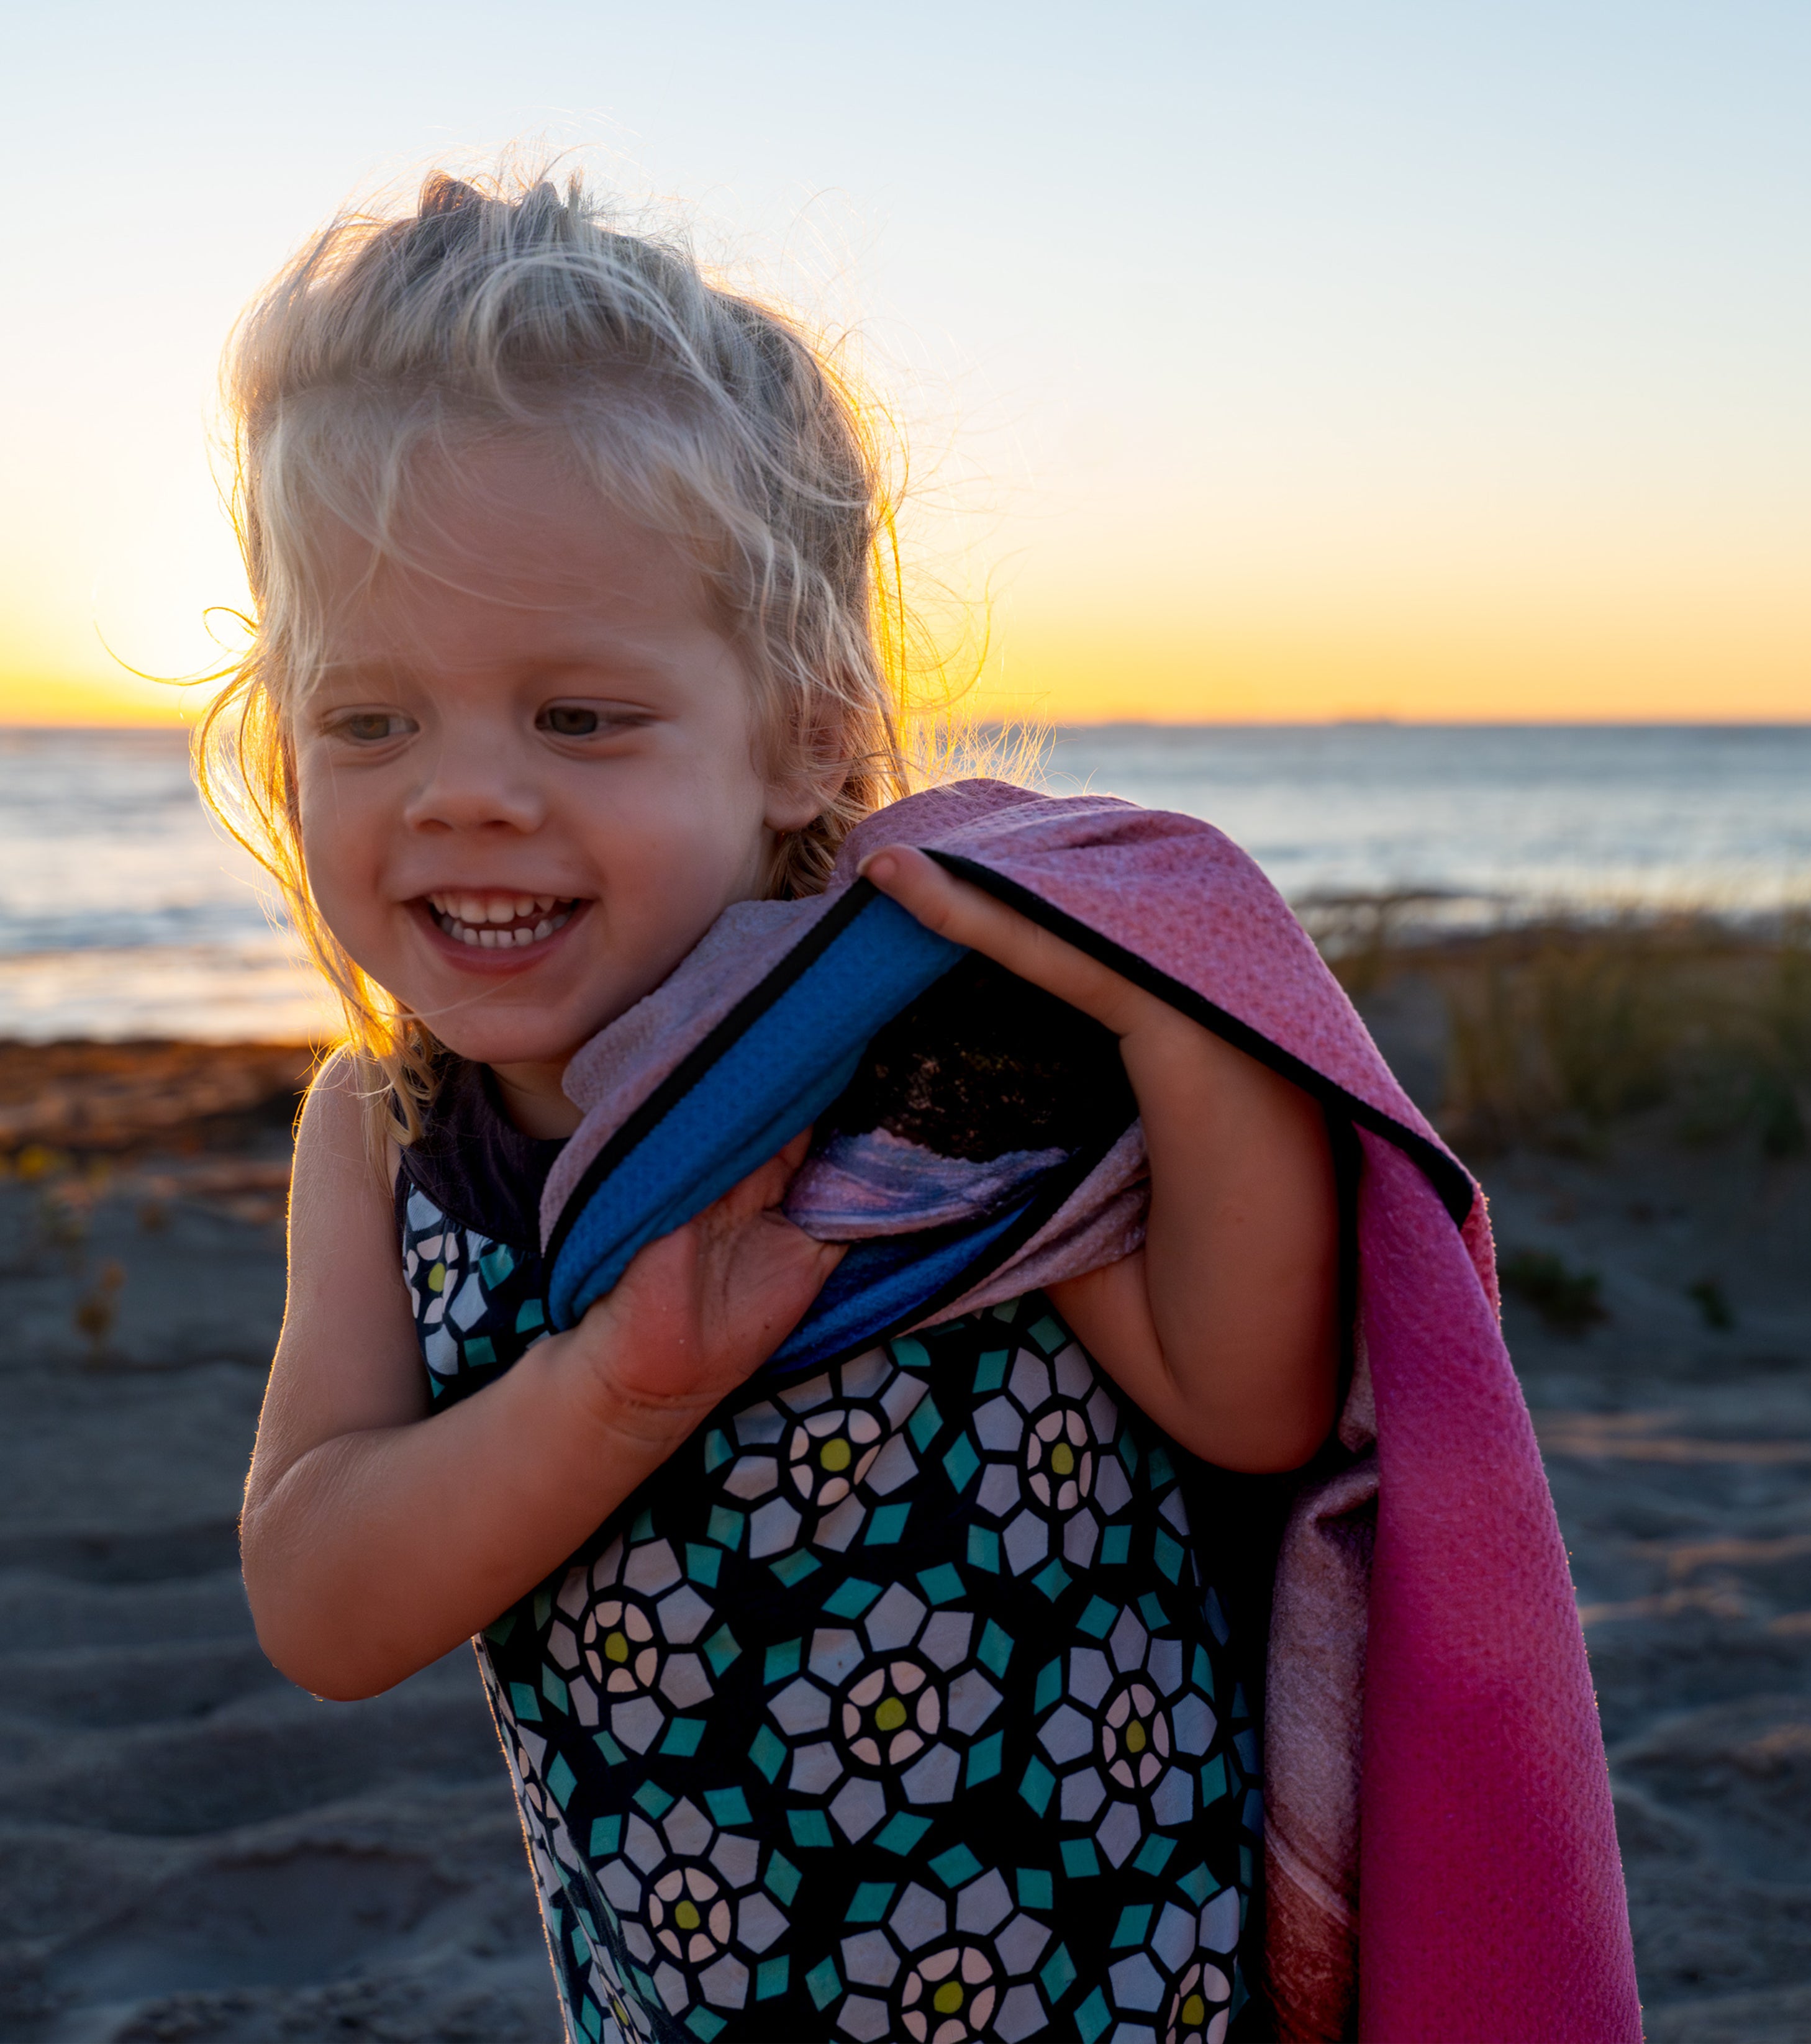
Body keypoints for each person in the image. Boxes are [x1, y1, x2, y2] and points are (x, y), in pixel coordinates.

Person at [221, 167, 1339, 2044]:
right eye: (369, 719)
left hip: (1120, 1982)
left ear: (806, 729)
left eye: (577, 717)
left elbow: (1246, 1396)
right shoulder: (387, 1136)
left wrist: (1190, 1032)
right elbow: (325, 1602)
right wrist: (613, 1392)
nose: (462, 794)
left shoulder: (918, 1052)